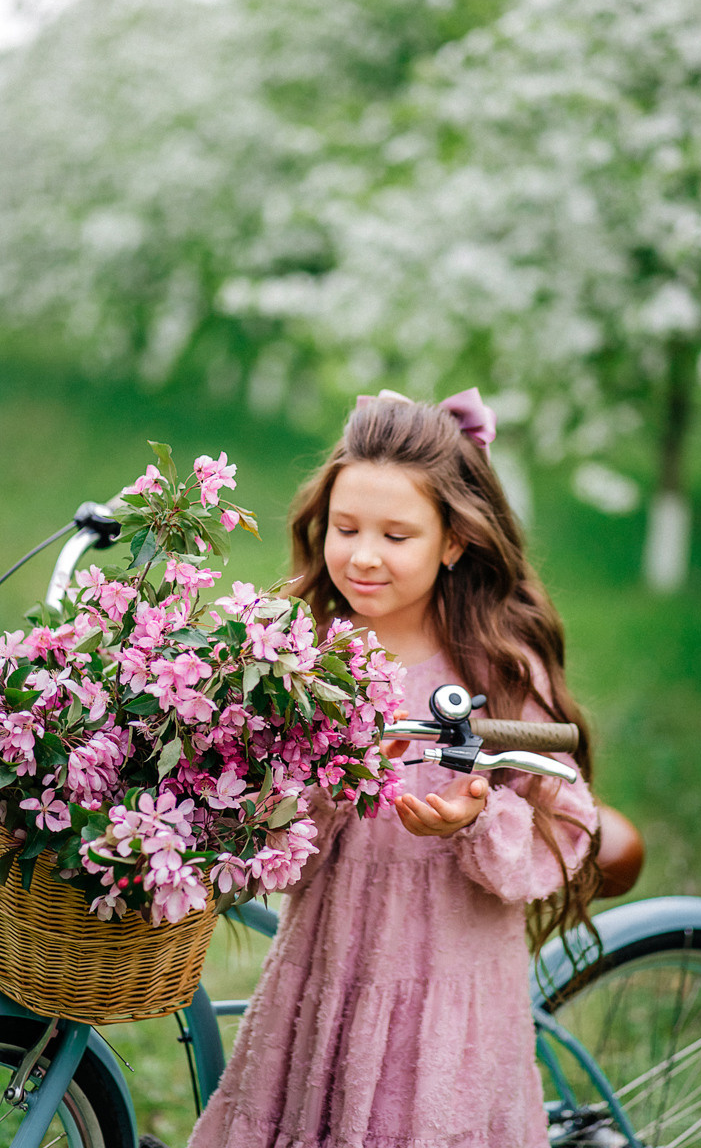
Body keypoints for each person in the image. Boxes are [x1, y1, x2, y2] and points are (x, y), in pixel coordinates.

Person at [188, 388, 610, 1148]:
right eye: (345, 528)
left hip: (449, 999)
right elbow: (269, 837)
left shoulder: (495, 667)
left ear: (453, 541)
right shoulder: (303, 652)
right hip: (328, 980)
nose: (363, 555)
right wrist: (332, 781)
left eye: (397, 534)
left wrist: (478, 816)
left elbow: (570, 820)